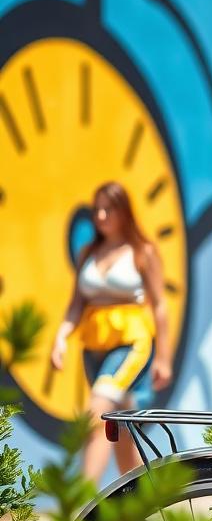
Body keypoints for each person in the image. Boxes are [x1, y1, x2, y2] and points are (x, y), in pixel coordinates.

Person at [50, 182, 172, 482]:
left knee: (98, 413)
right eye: (98, 209)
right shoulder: (88, 253)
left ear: (124, 212)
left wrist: (164, 359)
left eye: (109, 209)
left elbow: (159, 305)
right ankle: (141, 511)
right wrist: (61, 337)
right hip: (93, 346)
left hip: (130, 343)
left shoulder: (142, 252)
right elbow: (76, 303)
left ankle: (80, 508)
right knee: (119, 431)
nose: (102, 215)